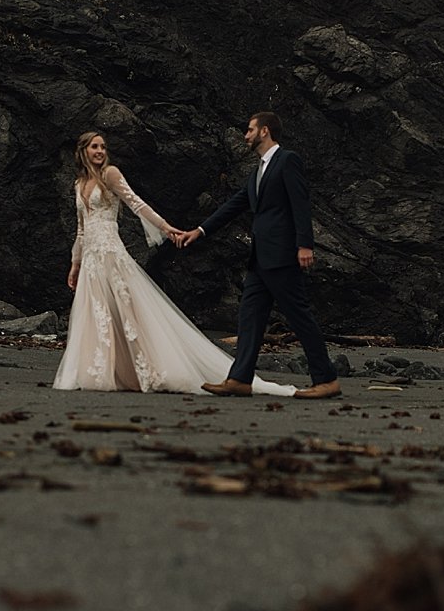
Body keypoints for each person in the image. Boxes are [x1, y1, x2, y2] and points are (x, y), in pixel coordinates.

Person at [52, 132, 295, 396]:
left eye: (102, 147)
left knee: (127, 313)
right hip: (90, 259)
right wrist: (75, 264)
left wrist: (166, 228)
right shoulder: (79, 183)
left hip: (111, 253)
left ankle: (144, 368)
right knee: (98, 315)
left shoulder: (110, 174)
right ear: (83, 151)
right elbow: (81, 230)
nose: (100, 151)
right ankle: (104, 372)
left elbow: (137, 204)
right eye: (94, 147)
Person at [176, 112, 340, 400]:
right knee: (249, 318)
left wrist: (305, 245)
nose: (246, 135)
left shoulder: (287, 160)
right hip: (260, 259)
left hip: (282, 256)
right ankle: (239, 379)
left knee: (299, 316)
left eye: (250, 130)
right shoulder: (257, 172)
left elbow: (300, 203)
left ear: (265, 131)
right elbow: (233, 206)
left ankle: (326, 380)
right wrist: (199, 231)